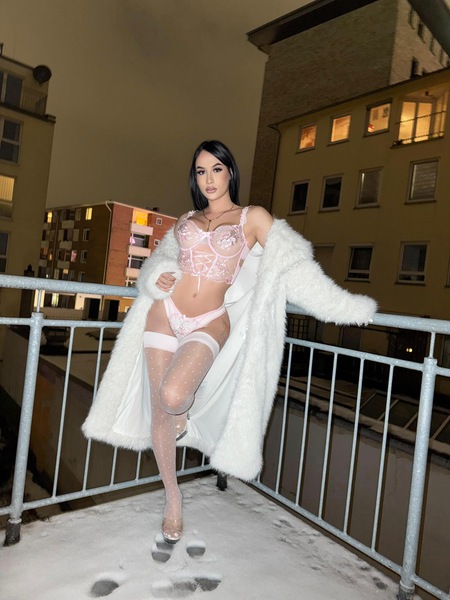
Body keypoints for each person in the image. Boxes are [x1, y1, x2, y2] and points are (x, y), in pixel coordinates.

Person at [82, 140, 377, 546]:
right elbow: (160, 262)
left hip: (211, 320)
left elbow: (293, 266)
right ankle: (173, 498)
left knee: (172, 396)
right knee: (159, 408)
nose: (209, 179)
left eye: (216, 169)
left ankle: (183, 414)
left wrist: (346, 307)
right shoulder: (186, 219)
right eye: (201, 171)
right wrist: (157, 276)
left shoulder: (252, 217)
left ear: (230, 172)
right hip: (165, 313)